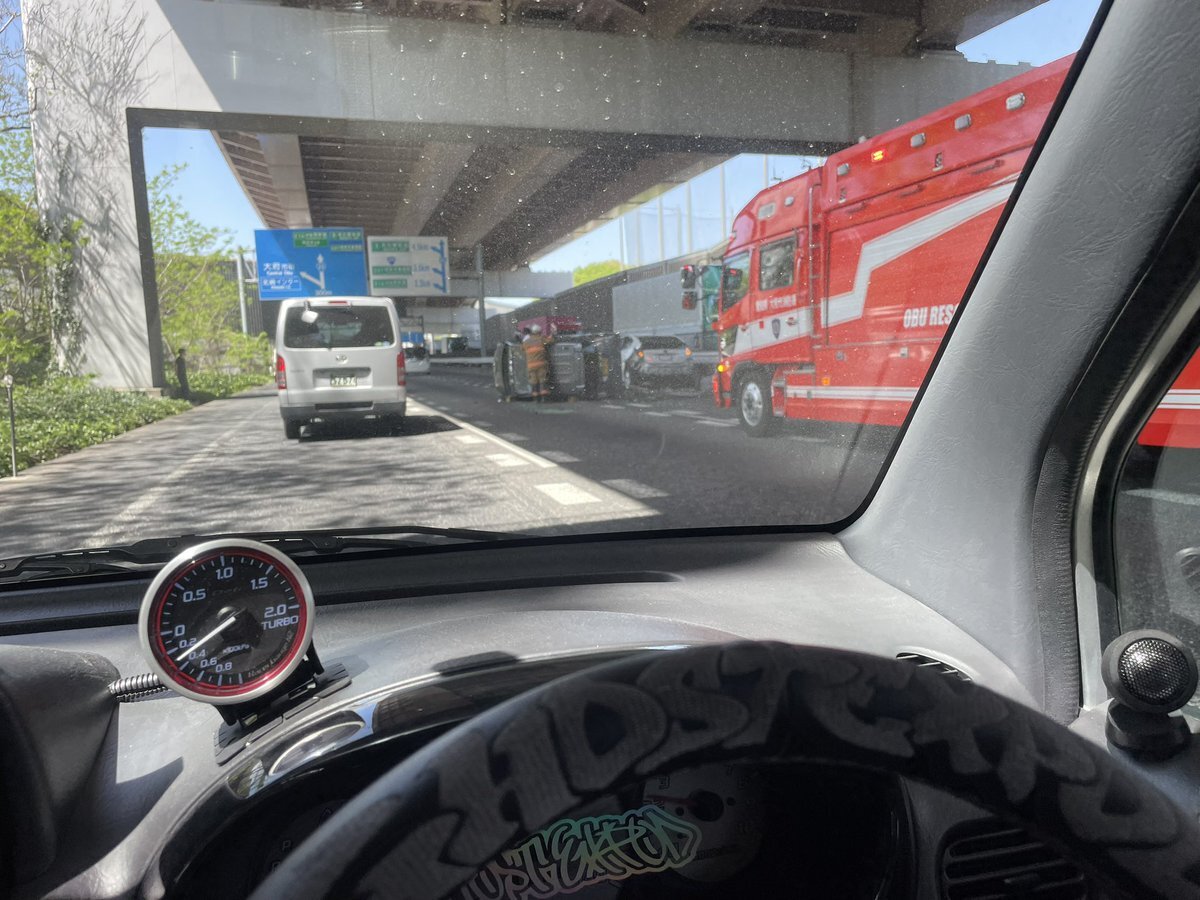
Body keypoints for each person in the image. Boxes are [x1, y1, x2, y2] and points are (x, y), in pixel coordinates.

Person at [522, 324, 551, 402]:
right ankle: (543, 397)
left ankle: (535, 397)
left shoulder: (527, 341)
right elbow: (550, 341)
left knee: (533, 380)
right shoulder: (541, 339)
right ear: (539, 332)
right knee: (542, 379)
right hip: (541, 364)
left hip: (531, 365)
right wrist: (553, 334)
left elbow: (522, 348)